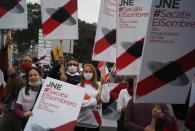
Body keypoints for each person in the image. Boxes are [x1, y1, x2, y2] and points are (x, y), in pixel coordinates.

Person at [75, 64, 110, 131]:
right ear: (83, 73)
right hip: (79, 121)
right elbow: (78, 104)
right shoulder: (78, 86)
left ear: (94, 73)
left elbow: (106, 100)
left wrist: (105, 84)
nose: (88, 73)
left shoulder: (100, 85)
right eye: (86, 71)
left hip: (94, 121)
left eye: (90, 72)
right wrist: (95, 101)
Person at [0, 67, 25, 131]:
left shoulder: (18, 79)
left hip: (13, 109)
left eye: (10, 70)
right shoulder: (11, 78)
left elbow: (15, 95)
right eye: (8, 70)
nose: (8, 71)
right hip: (9, 107)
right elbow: (7, 91)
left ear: (15, 70)